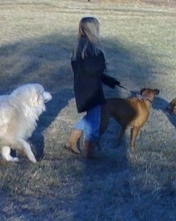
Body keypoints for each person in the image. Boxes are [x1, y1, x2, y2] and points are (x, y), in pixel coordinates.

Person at [65, 17, 121, 158]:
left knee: (91, 117)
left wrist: (110, 81)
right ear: (94, 31)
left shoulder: (78, 49)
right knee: (94, 121)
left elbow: (92, 73)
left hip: (82, 89)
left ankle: (72, 140)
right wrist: (102, 62)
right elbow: (94, 70)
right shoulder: (94, 52)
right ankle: (89, 149)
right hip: (92, 92)